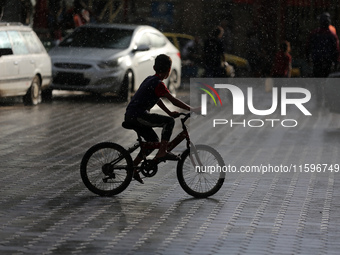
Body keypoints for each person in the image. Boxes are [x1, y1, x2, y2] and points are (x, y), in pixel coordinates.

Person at [124, 54, 199, 184]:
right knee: (169, 122)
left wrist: (169, 112)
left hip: (132, 115)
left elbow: (157, 99)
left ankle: (133, 167)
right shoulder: (159, 84)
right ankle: (162, 151)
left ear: (154, 67)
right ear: (169, 70)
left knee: (152, 141)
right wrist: (192, 109)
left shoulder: (150, 79)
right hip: (138, 116)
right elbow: (173, 100)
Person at [306, 12, 340, 78]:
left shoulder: (314, 33)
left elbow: (308, 46)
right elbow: (336, 50)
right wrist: (336, 62)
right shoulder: (332, 35)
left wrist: (308, 58)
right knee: (325, 78)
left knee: (317, 78)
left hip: (317, 60)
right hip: (328, 61)